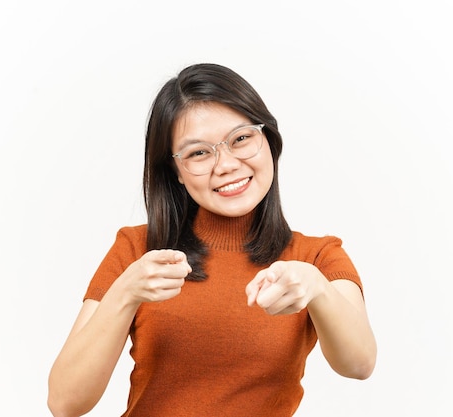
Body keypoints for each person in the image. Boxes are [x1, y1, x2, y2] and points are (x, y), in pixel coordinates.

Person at [47, 63, 377, 417]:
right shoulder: (137, 250)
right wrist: (126, 292)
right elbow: (65, 402)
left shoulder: (317, 258)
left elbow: (359, 364)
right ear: (175, 171)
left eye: (241, 139)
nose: (226, 164)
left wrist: (317, 289)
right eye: (199, 153)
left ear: (268, 139)